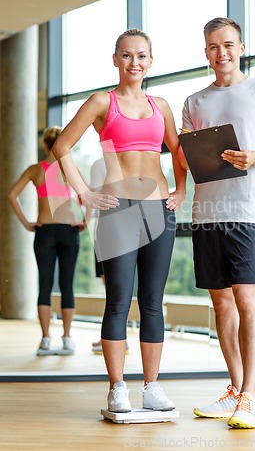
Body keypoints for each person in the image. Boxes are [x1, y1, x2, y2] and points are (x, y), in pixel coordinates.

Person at [52, 28, 186, 412]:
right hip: (118, 209)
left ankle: (152, 386)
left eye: (141, 56)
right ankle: (117, 387)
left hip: (159, 208)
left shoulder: (161, 105)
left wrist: (180, 190)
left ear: (150, 61)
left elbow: (178, 151)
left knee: (152, 302)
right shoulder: (101, 102)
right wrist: (84, 193)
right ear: (115, 60)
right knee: (118, 300)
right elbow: (63, 146)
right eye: (126, 55)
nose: (134, 63)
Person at [178, 17, 255, 429]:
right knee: (221, 302)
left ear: (241, 47)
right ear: (206, 52)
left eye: (228, 44)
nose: (221, 53)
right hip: (206, 213)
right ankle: (234, 390)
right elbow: (190, 157)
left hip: (247, 213)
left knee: (246, 299)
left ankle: (251, 396)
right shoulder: (193, 101)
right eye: (213, 46)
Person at [8, 126, 86, 354]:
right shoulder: (68, 168)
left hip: (44, 231)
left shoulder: (36, 170)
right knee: (66, 286)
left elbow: (11, 194)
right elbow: (88, 195)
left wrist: (25, 223)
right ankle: (67, 338)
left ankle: (45, 339)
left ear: (44, 144)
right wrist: (84, 220)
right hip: (69, 231)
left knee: (45, 285)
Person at [88, 158, 129, 356]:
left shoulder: (98, 165)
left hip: (107, 228)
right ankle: (123, 337)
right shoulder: (133, 159)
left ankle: (120, 338)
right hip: (132, 228)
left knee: (113, 294)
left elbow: (93, 199)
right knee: (124, 291)